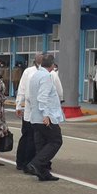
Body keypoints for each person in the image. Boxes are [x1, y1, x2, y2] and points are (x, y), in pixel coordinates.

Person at [25, 53, 63, 181]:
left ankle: (43, 173)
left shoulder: (36, 75)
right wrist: (46, 115)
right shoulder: (46, 76)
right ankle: (36, 164)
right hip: (45, 117)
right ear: (52, 65)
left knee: (41, 144)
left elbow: (31, 96)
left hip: (35, 117)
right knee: (56, 140)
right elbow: (42, 97)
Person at [14, 54, 43, 173]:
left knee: (37, 138)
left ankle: (33, 161)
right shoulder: (28, 72)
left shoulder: (46, 72)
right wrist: (18, 105)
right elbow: (22, 89)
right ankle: (22, 162)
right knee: (27, 136)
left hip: (40, 110)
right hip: (29, 110)